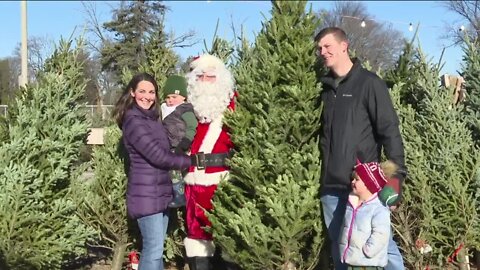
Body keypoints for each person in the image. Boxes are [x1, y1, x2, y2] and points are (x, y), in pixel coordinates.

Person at [315, 27, 407, 270]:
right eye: (319, 48)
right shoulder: (324, 90)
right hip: (331, 188)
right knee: (342, 249)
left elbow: (390, 132)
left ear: (344, 46)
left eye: (327, 46)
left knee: (382, 247)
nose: (322, 52)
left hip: (364, 188)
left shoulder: (369, 84)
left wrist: (395, 183)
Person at [112, 72, 192, 270]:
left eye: (151, 92)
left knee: (156, 251)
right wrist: (189, 161)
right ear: (132, 92)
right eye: (142, 91)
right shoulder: (134, 121)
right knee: (153, 249)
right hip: (146, 195)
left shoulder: (152, 118)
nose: (147, 96)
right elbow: (158, 156)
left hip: (160, 192)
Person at [182, 54, 236, 270]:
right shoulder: (188, 109)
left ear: (221, 79)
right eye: (201, 76)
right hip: (193, 186)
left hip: (223, 185)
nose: (205, 81)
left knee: (228, 242)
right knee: (197, 240)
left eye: (211, 76)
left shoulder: (233, 106)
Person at [339, 160, 398, 270]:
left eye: (356, 179)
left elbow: (381, 234)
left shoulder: (378, 209)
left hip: (368, 263)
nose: (352, 181)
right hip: (352, 260)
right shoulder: (351, 203)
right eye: (352, 178)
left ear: (368, 184)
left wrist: (368, 250)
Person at [160, 74, 198, 208]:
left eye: (174, 97)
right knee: (171, 171)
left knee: (175, 170)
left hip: (182, 146)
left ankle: (179, 195)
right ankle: (176, 193)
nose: (170, 100)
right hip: (170, 146)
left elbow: (192, 126)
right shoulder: (164, 109)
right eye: (168, 97)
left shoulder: (185, 110)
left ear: (183, 97)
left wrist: (185, 143)